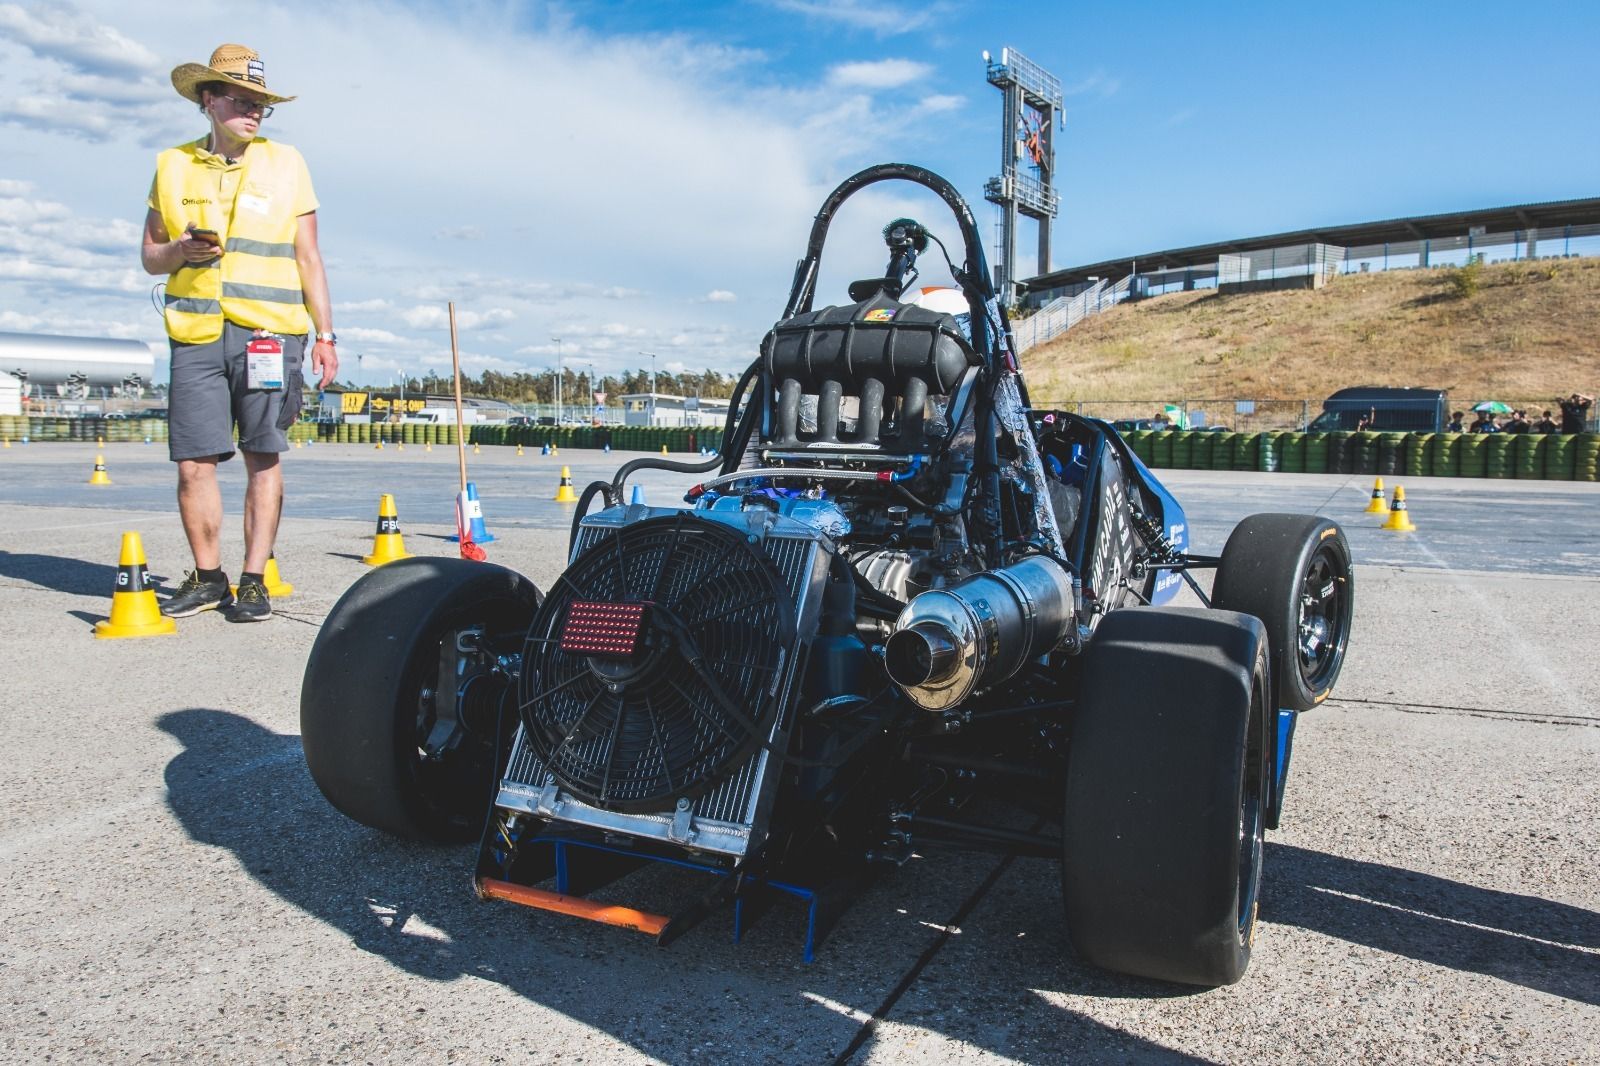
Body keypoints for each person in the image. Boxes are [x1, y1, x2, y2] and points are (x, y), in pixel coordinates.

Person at [141, 44, 337, 621]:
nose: (253, 112)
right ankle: (207, 577)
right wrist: (177, 249)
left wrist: (326, 335)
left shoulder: (287, 164)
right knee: (193, 464)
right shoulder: (171, 166)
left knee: (263, 456)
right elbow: (150, 256)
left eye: (261, 104)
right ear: (208, 101)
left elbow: (309, 256)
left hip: (269, 334)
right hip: (197, 331)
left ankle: (253, 579)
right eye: (241, 100)